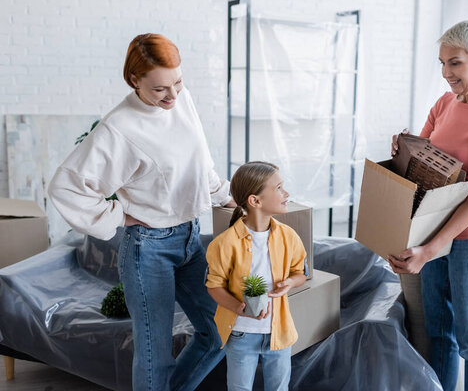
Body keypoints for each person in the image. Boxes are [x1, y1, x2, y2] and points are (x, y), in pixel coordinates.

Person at [48, 33, 235, 391]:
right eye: (161, 89)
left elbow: (199, 164)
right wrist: (119, 215)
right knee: (155, 355)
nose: (173, 96)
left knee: (219, 332)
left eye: (178, 82)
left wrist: (226, 196)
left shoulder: (181, 101)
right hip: (148, 249)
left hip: (191, 239)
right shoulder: (118, 127)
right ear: (135, 80)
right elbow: (66, 186)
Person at [389, 20, 468, 391]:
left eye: (456, 63)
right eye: (442, 63)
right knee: (438, 335)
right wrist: (402, 147)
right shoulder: (445, 102)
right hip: (433, 234)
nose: (446, 73)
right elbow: (422, 160)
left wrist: (429, 250)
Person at [205, 161, 307, 391]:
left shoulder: (289, 237)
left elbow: (300, 273)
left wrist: (290, 282)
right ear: (255, 201)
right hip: (241, 334)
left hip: (279, 333)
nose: (286, 193)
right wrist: (239, 307)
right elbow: (214, 286)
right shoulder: (224, 244)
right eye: (279, 188)